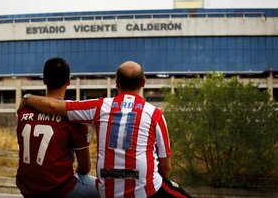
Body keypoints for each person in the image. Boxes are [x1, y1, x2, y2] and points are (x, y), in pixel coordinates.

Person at [18, 61, 191, 198]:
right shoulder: (155, 114)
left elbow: (55, 106)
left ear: (116, 82)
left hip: (105, 190)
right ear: (144, 82)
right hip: (144, 191)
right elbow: (166, 167)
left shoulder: (100, 106)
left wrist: (26, 98)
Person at [16, 57, 99, 198]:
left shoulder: (24, 111)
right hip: (60, 189)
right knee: (106, 190)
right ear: (68, 82)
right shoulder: (73, 118)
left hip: (27, 188)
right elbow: (85, 168)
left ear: (44, 80)